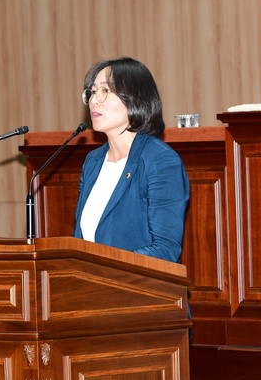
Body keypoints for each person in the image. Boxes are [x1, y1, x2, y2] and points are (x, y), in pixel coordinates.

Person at [73, 57, 189, 263]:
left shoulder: (160, 160)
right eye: (92, 91)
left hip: (139, 282)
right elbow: (81, 240)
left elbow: (166, 249)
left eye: (105, 90)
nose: (94, 100)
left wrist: (108, 266)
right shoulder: (93, 161)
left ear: (135, 98)